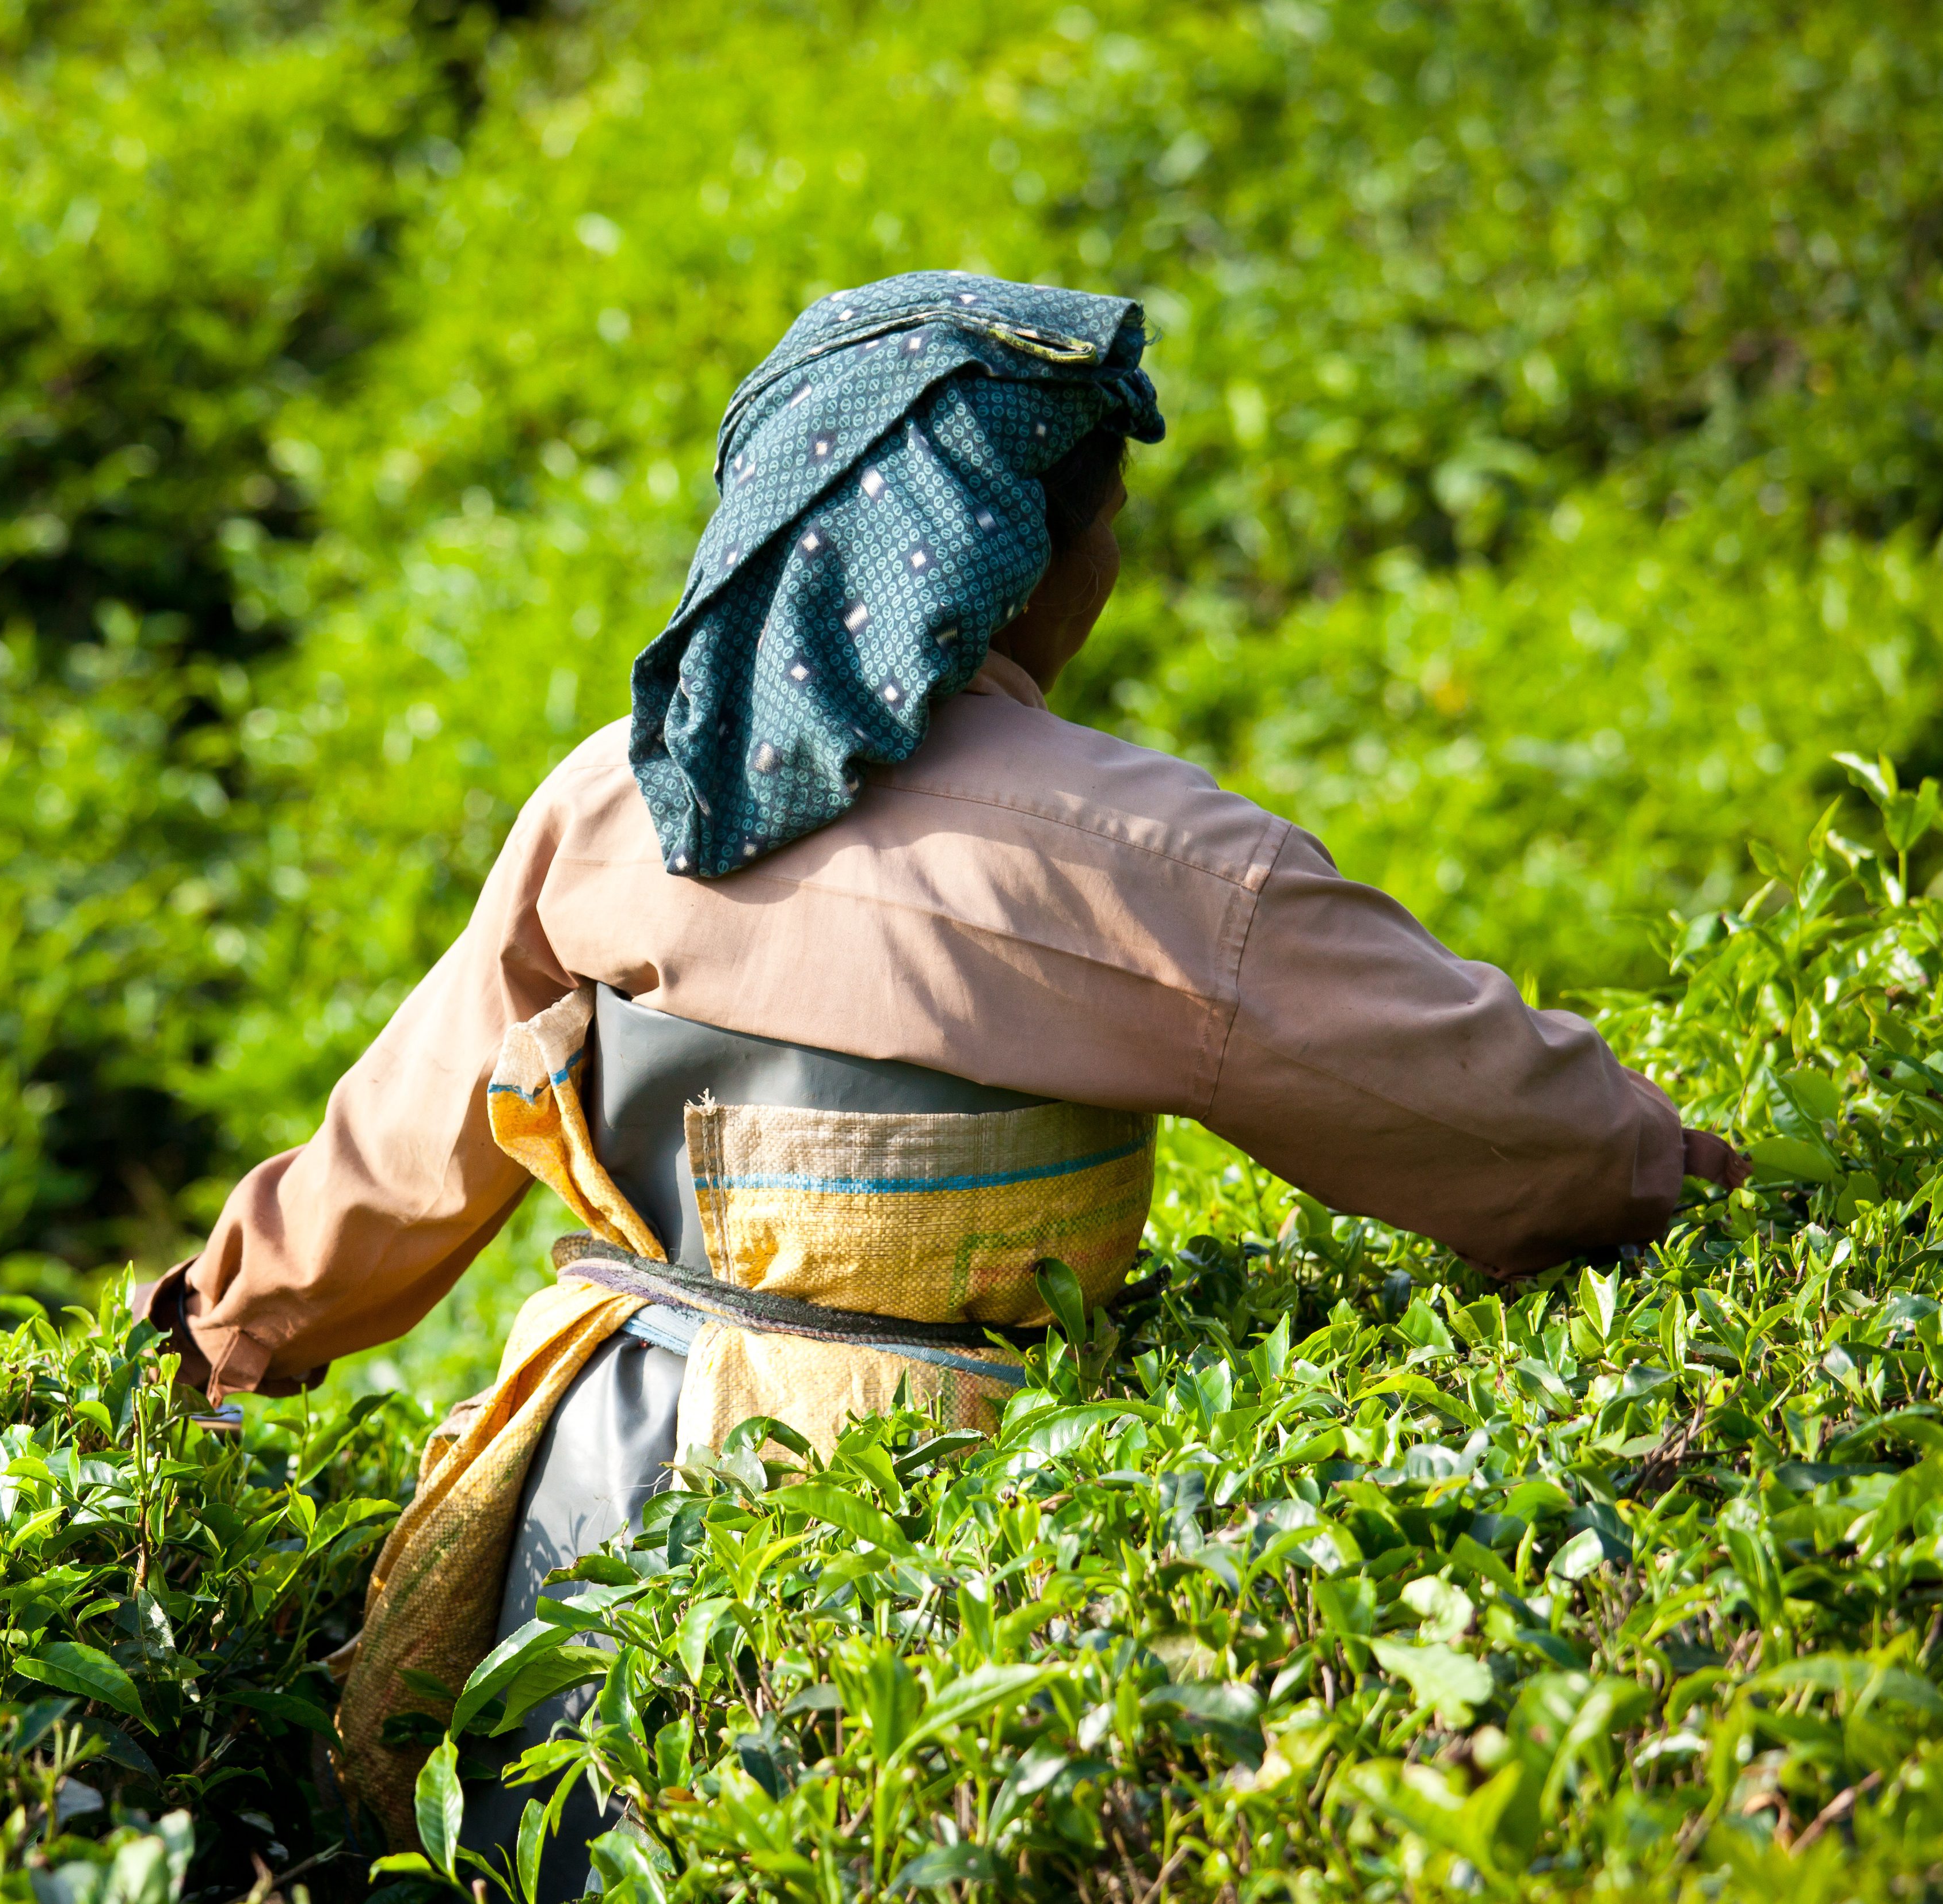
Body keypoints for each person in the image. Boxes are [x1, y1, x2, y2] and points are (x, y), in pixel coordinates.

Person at [136, 272, 1748, 1889]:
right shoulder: (1146, 861)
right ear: (1027, 555)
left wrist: (220, 1331)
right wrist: (1681, 1174)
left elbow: (395, 1154)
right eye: (1103, 518)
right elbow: (1490, 1120)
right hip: (912, 1558)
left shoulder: (617, 797)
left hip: (573, 1516)